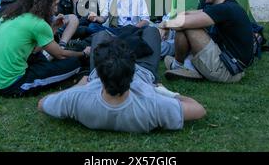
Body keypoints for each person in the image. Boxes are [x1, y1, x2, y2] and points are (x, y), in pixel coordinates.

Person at [38, 37, 206, 133]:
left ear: (99, 74)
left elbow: (42, 103)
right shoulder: (153, 103)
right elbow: (199, 109)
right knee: (151, 32)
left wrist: (80, 86)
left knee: (101, 35)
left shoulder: (77, 98)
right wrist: (165, 92)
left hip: (106, 74)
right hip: (145, 74)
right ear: (132, 71)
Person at [0, 0, 91, 97]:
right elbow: (60, 55)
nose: (56, 10)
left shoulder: (9, 14)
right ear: (44, 4)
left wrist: (54, 28)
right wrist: (83, 53)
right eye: (55, 5)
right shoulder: (38, 23)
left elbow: (35, 50)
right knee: (74, 63)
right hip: (12, 85)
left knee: (41, 57)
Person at [160, 0, 254, 83]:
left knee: (188, 26)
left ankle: (181, 66)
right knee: (187, 23)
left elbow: (183, 22)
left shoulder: (225, 9)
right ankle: (184, 65)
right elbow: (188, 14)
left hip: (229, 71)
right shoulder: (226, 6)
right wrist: (169, 24)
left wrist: (164, 25)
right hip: (228, 62)